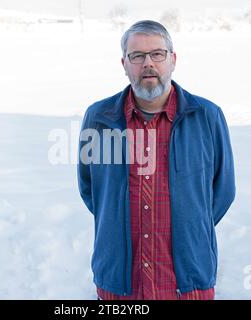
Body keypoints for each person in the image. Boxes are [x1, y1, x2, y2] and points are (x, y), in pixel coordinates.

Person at [77, 20, 235, 300]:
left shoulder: (207, 116)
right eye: (137, 56)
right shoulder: (99, 118)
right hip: (120, 285)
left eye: (157, 54)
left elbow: (222, 192)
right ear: (124, 64)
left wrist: (189, 223)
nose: (147, 63)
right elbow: (92, 191)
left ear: (172, 60)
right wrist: (118, 218)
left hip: (188, 283)